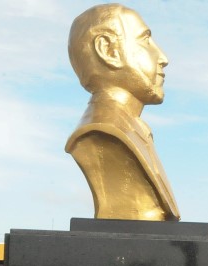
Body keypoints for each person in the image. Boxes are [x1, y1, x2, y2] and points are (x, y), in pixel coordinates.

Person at [65, 4, 180, 221]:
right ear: (108, 51)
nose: (163, 57)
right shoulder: (102, 133)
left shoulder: (137, 130)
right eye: (145, 40)